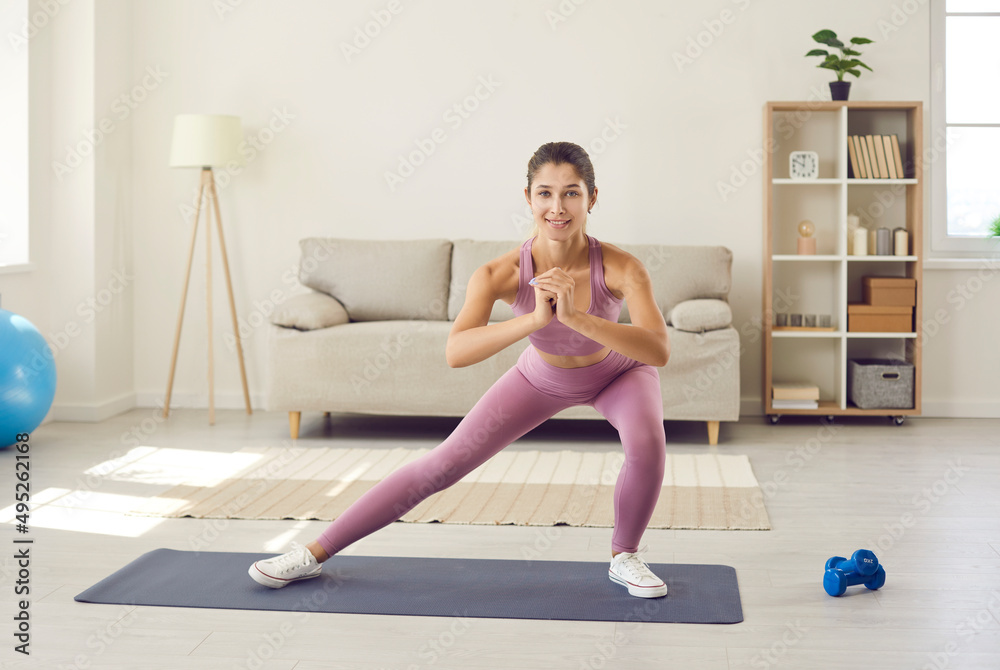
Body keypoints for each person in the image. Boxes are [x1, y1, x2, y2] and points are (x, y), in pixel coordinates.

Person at [249, 141, 671, 598]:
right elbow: (457, 351)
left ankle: (624, 557)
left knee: (646, 442)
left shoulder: (623, 267)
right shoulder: (499, 273)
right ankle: (313, 553)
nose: (557, 206)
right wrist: (533, 320)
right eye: (545, 193)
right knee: (443, 465)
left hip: (617, 375)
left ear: (592, 198)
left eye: (571, 193)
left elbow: (658, 350)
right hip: (541, 377)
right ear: (528, 197)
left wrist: (577, 318)